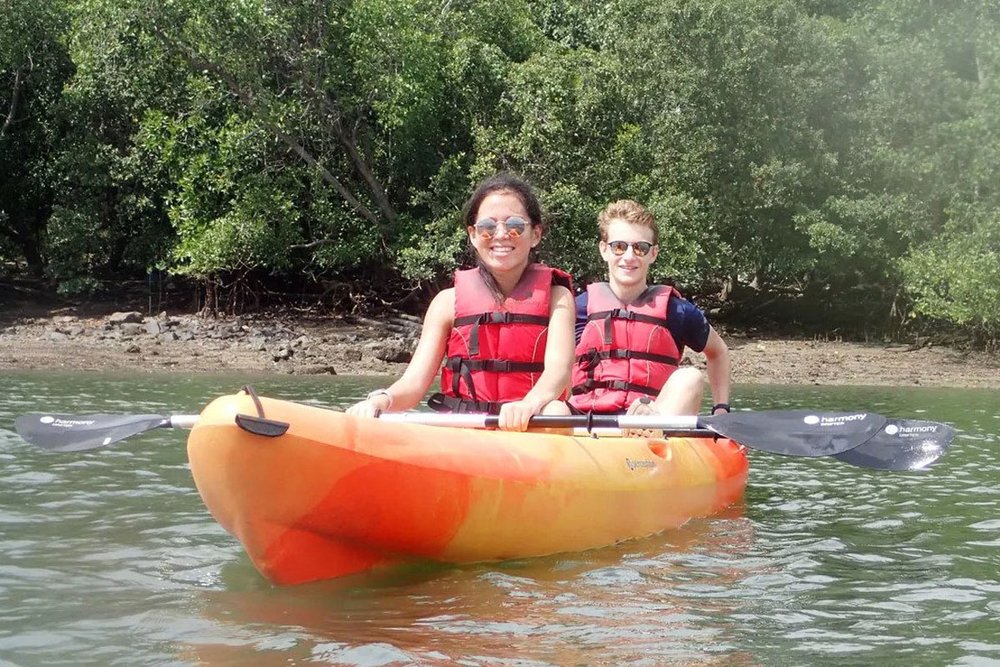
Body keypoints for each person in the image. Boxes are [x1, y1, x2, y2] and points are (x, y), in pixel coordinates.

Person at [346, 173, 576, 431]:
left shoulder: (558, 297)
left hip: (527, 424)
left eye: (515, 225)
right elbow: (414, 383)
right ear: (473, 235)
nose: (501, 234)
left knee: (556, 410)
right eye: (487, 227)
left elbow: (558, 371)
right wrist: (381, 400)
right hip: (465, 428)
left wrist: (528, 405)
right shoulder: (446, 303)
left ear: (535, 234)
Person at [569, 199, 730, 418]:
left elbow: (718, 352)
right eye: (619, 246)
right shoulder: (577, 309)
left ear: (653, 253)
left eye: (640, 248)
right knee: (554, 407)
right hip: (587, 422)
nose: (629, 257)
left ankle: (645, 432)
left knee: (690, 377)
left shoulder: (677, 311)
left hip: (653, 420)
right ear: (604, 250)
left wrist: (721, 408)